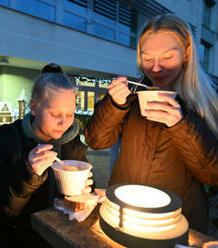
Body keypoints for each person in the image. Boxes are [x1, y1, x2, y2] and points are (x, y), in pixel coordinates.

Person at [85, 14, 218, 234]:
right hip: (123, 214)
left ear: (186, 53)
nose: (156, 68)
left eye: (167, 57)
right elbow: (96, 141)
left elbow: (212, 175)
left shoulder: (206, 100)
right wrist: (115, 105)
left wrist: (181, 126)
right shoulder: (132, 95)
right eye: (148, 59)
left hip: (176, 222)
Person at [0, 72, 91, 247]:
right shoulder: (10, 139)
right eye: (55, 114)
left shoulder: (72, 143)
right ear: (34, 107)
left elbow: (77, 202)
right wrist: (28, 174)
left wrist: (85, 192)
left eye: (70, 114)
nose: (64, 123)